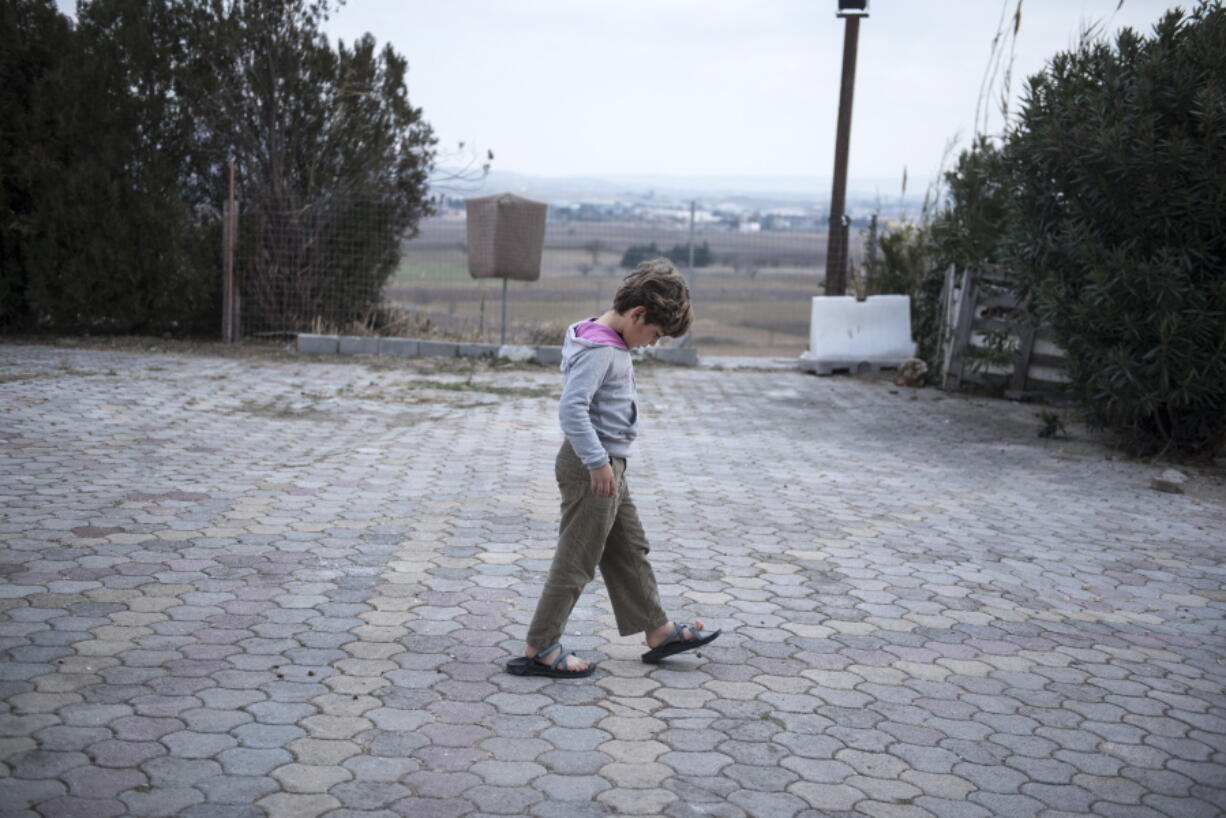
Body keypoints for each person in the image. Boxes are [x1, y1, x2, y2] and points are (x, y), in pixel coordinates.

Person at [507, 258, 721, 678]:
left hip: (607, 466)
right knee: (576, 560)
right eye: (655, 334)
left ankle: (658, 631)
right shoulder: (602, 349)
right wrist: (597, 462)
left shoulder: (601, 335)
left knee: (628, 548)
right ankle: (541, 646)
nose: (652, 343)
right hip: (594, 468)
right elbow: (572, 409)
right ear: (637, 314)